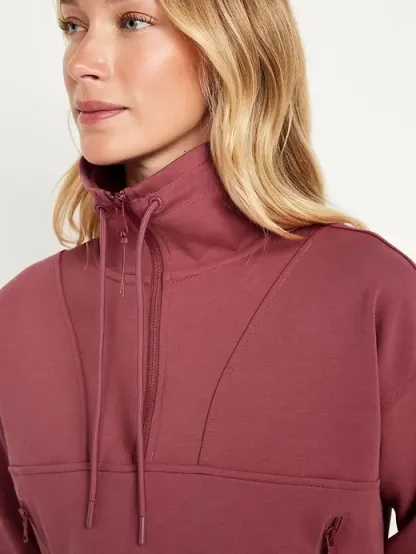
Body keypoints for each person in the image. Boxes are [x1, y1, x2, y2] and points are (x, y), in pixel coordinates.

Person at [1, 0, 415, 552]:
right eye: (73, 26)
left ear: (231, 46)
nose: (80, 63)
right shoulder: (20, 313)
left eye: (133, 21)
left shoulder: (368, 291)